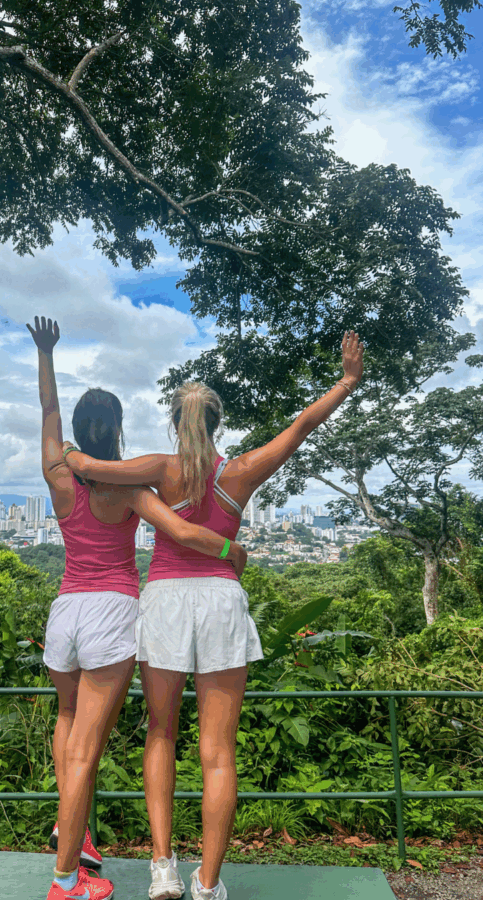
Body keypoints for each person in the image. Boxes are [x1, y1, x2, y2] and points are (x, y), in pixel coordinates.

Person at [62, 331, 365, 900]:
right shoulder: (242, 470)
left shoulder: (157, 468)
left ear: (175, 423)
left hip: (166, 601)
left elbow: (85, 466)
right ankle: (207, 882)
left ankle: (162, 868)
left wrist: (75, 447)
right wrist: (346, 382)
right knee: (218, 753)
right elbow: (301, 427)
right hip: (221, 601)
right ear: (216, 424)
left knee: (161, 732)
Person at [27, 316, 248, 900]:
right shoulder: (129, 488)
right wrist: (231, 550)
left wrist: (46, 353)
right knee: (87, 750)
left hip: (65, 612)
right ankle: (66, 877)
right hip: (111, 611)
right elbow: (183, 531)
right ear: (119, 430)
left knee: (67, 719)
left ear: (79, 430)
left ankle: (73, 830)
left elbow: (48, 410)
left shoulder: (57, 472)